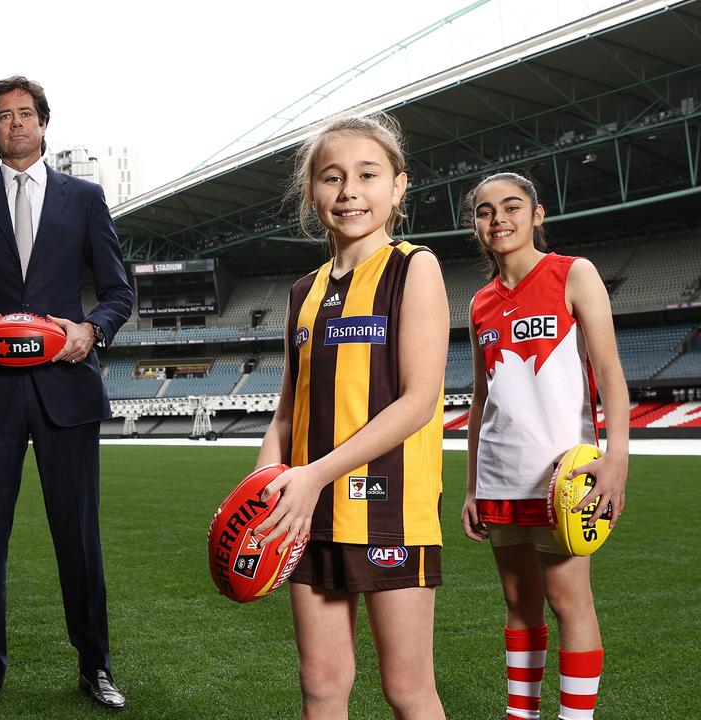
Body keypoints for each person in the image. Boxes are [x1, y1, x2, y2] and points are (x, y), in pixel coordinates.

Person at [0, 75, 134, 710]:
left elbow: (118, 291)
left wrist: (90, 331)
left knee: (78, 536)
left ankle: (95, 665)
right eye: (3, 116)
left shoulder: (85, 198)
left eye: (25, 114)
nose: (15, 124)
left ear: (44, 124)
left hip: (64, 390)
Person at [251, 113, 449, 719]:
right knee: (321, 685)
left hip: (391, 508)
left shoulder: (414, 268)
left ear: (399, 186)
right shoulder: (301, 292)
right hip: (308, 512)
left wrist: (313, 474)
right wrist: (262, 488)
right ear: (312, 193)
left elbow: (418, 401)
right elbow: (288, 409)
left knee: (407, 690)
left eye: (368, 174)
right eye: (332, 178)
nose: (349, 191)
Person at [460, 172, 628, 720]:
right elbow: (482, 399)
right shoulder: (479, 302)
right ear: (476, 225)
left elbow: (609, 371)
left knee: (568, 601)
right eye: (485, 212)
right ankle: (521, 714)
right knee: (518, 606)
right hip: (500, 475)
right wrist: (471, 489)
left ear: (537, 214)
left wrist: (617, 460)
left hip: (564, 474)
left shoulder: (572, 274)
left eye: (511, 207)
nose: (498, 219)